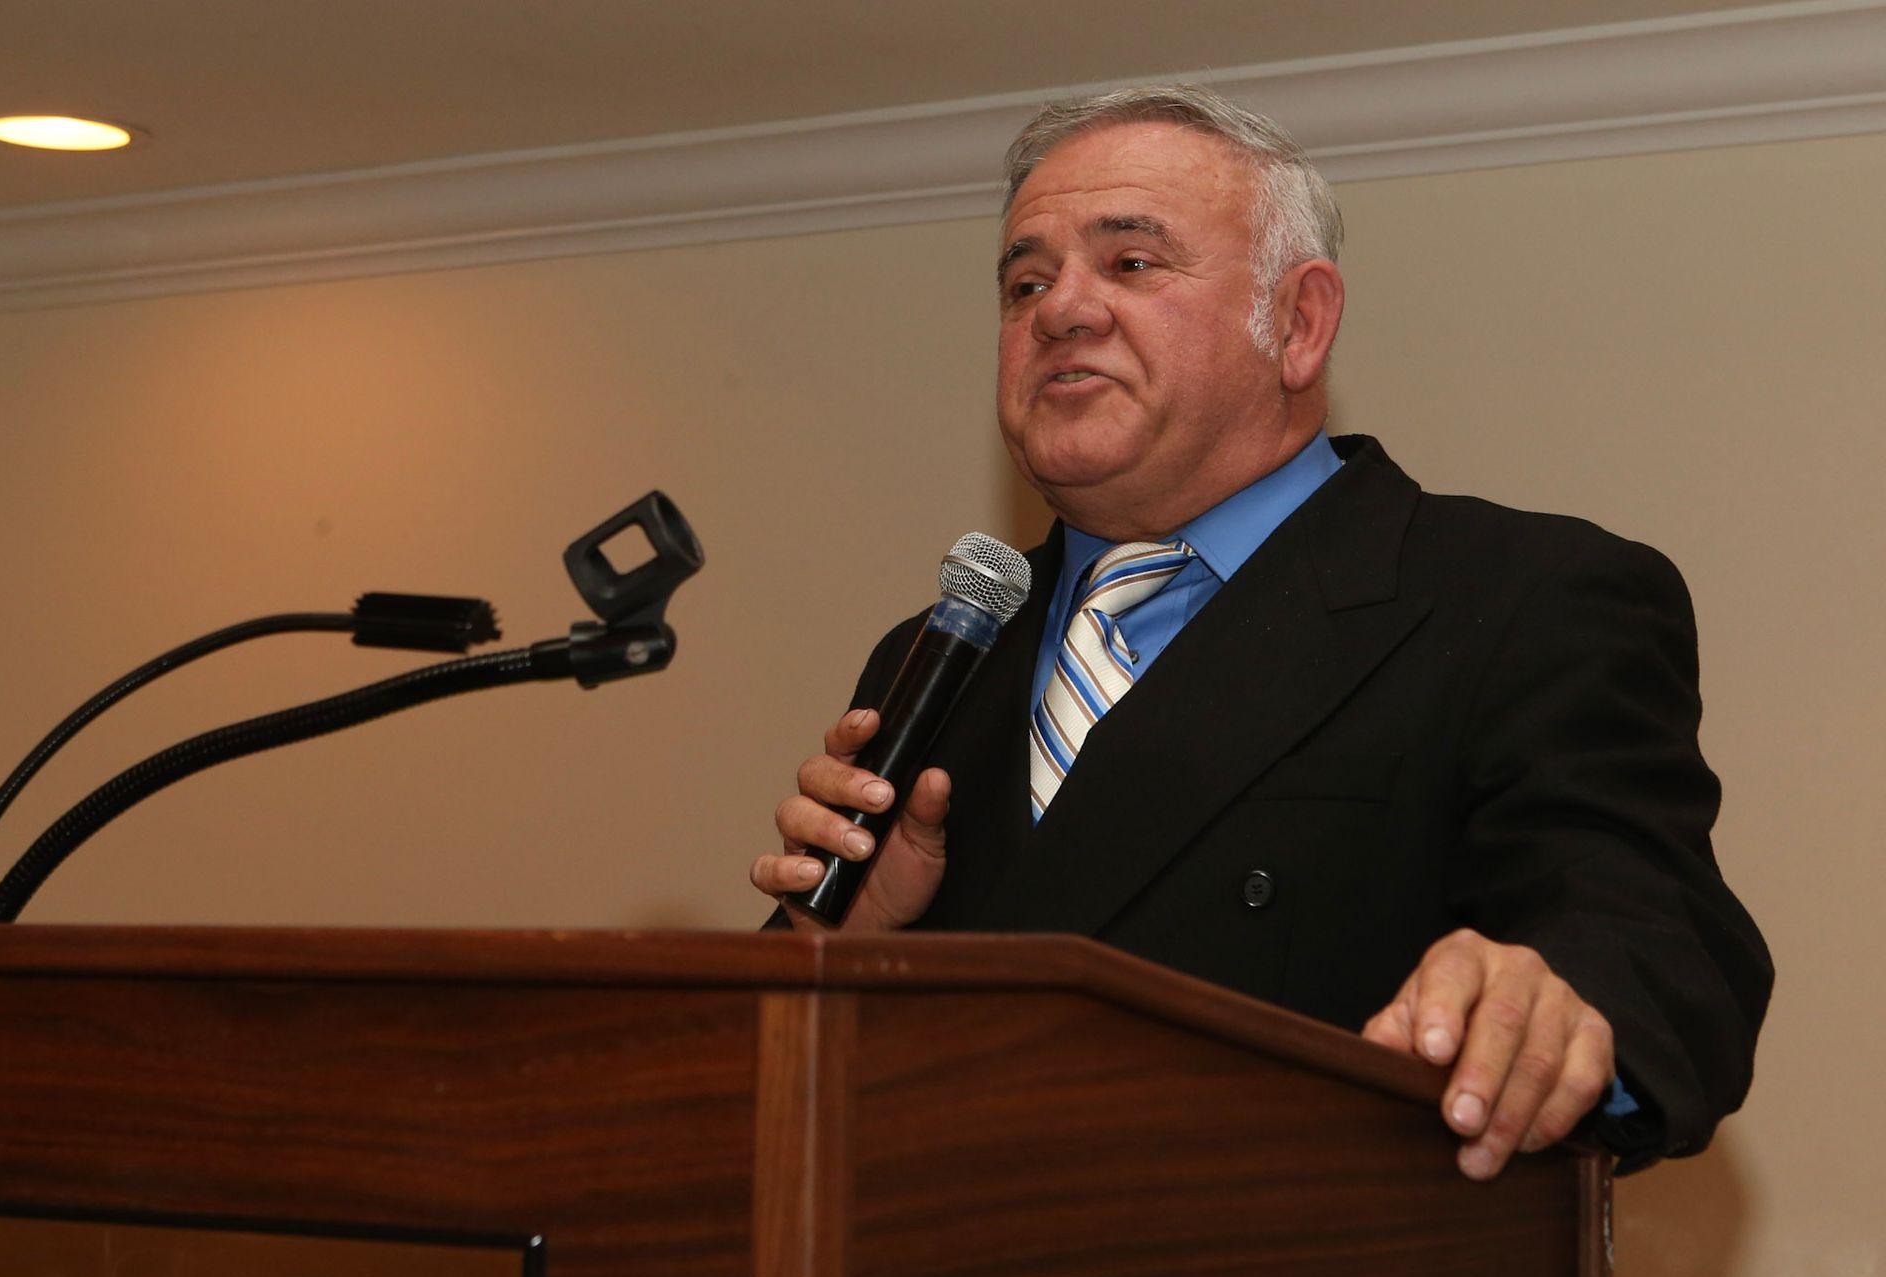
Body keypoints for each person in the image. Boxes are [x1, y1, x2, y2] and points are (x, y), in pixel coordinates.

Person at [749, 85, 1770, 1179]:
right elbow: (771, 1110)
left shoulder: (1524, 599)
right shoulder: (944, 651)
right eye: (1025, 282)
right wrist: (843, 949)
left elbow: (1651, 941)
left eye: (1130, 263)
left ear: (1299, 323)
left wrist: (1559, 1006)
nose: (1059, 311)